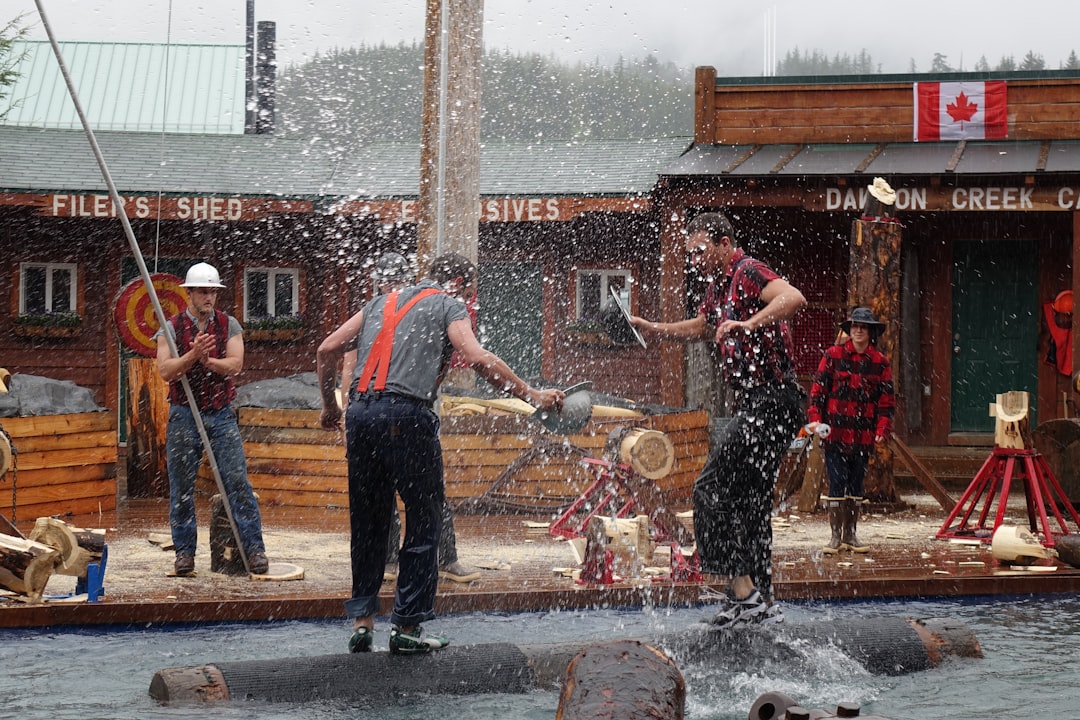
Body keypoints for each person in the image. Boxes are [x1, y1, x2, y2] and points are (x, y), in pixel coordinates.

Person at [317, 252, 563, 655]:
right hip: (407, 416)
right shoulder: (450, 305)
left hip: (360, 415)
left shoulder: (380, 301)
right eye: (468, 292)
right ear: (459, 285)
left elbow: (327, 349)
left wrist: (331, 408)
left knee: (369, 519)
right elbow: (480, 359)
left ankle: (362, 623)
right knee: (423, 519)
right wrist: (532, 394)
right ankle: (407, 629)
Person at [629, 211, 806, 628]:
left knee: (708, 489)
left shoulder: (747, 270)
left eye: (700, 250)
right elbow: (704, 327)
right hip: (759, 405)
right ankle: (761, 602)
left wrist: (749, 323)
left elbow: (793, 298)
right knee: (751, 505)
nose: (695, 259)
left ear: (724, 244)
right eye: (690, 252)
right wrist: (653, 328)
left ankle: (744, 595)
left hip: (774, 402)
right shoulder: (717, 285)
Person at [339, 252, 481, 585]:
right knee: (381, 492)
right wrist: (347, 412)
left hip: (409, 409)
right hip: (376, 407)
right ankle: (387, 562)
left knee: (430, 493)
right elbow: (347, 364)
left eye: (396, 280)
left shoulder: (422, 306)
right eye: (386, 281)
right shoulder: (376, 311)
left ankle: (445, 558)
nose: (391, 286)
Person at [156, 262, 269, 577]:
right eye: (203, 292)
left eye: (213, 292)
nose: (209, 297)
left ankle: (254, 548)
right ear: (189, 293)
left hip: (220, 414)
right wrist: (192, 357)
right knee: (181, 488)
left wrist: (208, 361)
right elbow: (165, 371)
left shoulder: (228, 324)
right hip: (183, 414)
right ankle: (184, 554)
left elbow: (235, 365)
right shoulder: (170, 327)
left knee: (236, 482)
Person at [806, 307, 895, 555]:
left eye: (863, 327)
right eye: (854, 326)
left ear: (870, 333)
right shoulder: (833, 355)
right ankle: (835, 537)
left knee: (856, 485)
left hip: (864, 435)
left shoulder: (880, 363)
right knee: (837, 482)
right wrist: (815, 420)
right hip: (834, 433)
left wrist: (882, 429)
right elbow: (817, 393)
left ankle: (851, 535)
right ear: (848, 330)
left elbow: (886, 401)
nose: (857, 331)